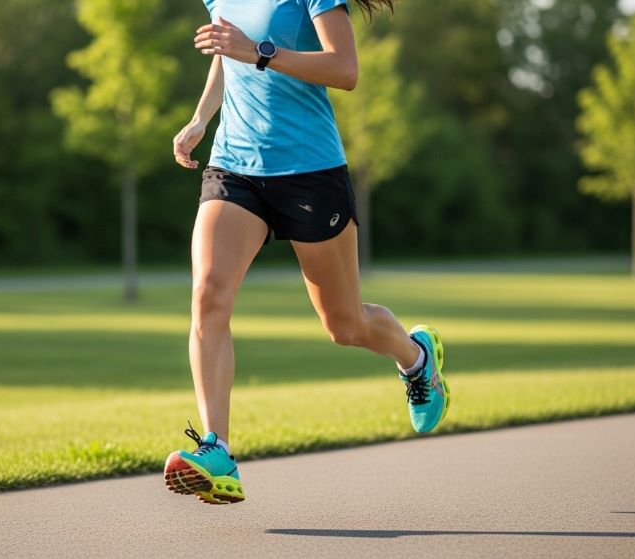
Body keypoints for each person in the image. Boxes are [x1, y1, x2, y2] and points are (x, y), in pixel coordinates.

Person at [163, 0, 449, 506]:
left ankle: (416, 357)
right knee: (209, 295)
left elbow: (345, 68)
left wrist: (261, 52)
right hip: (235, 167)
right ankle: (217, 450)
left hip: (309, 172)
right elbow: (227, 52)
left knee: (345, 326)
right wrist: (200, 118)